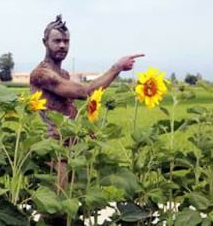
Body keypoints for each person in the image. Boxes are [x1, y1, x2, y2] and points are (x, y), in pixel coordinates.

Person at [30, 14, 144, 225]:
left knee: (73, 206)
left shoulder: (63, 73)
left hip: (71, 147)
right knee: (56, 208)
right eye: (57, 40)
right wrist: (116, 68)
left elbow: (68, 107)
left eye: (66, 41)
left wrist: (85, 131)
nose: (62, 45)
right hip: (53, 150)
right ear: (45, 42)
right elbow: (84, 91)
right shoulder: (41, 74)